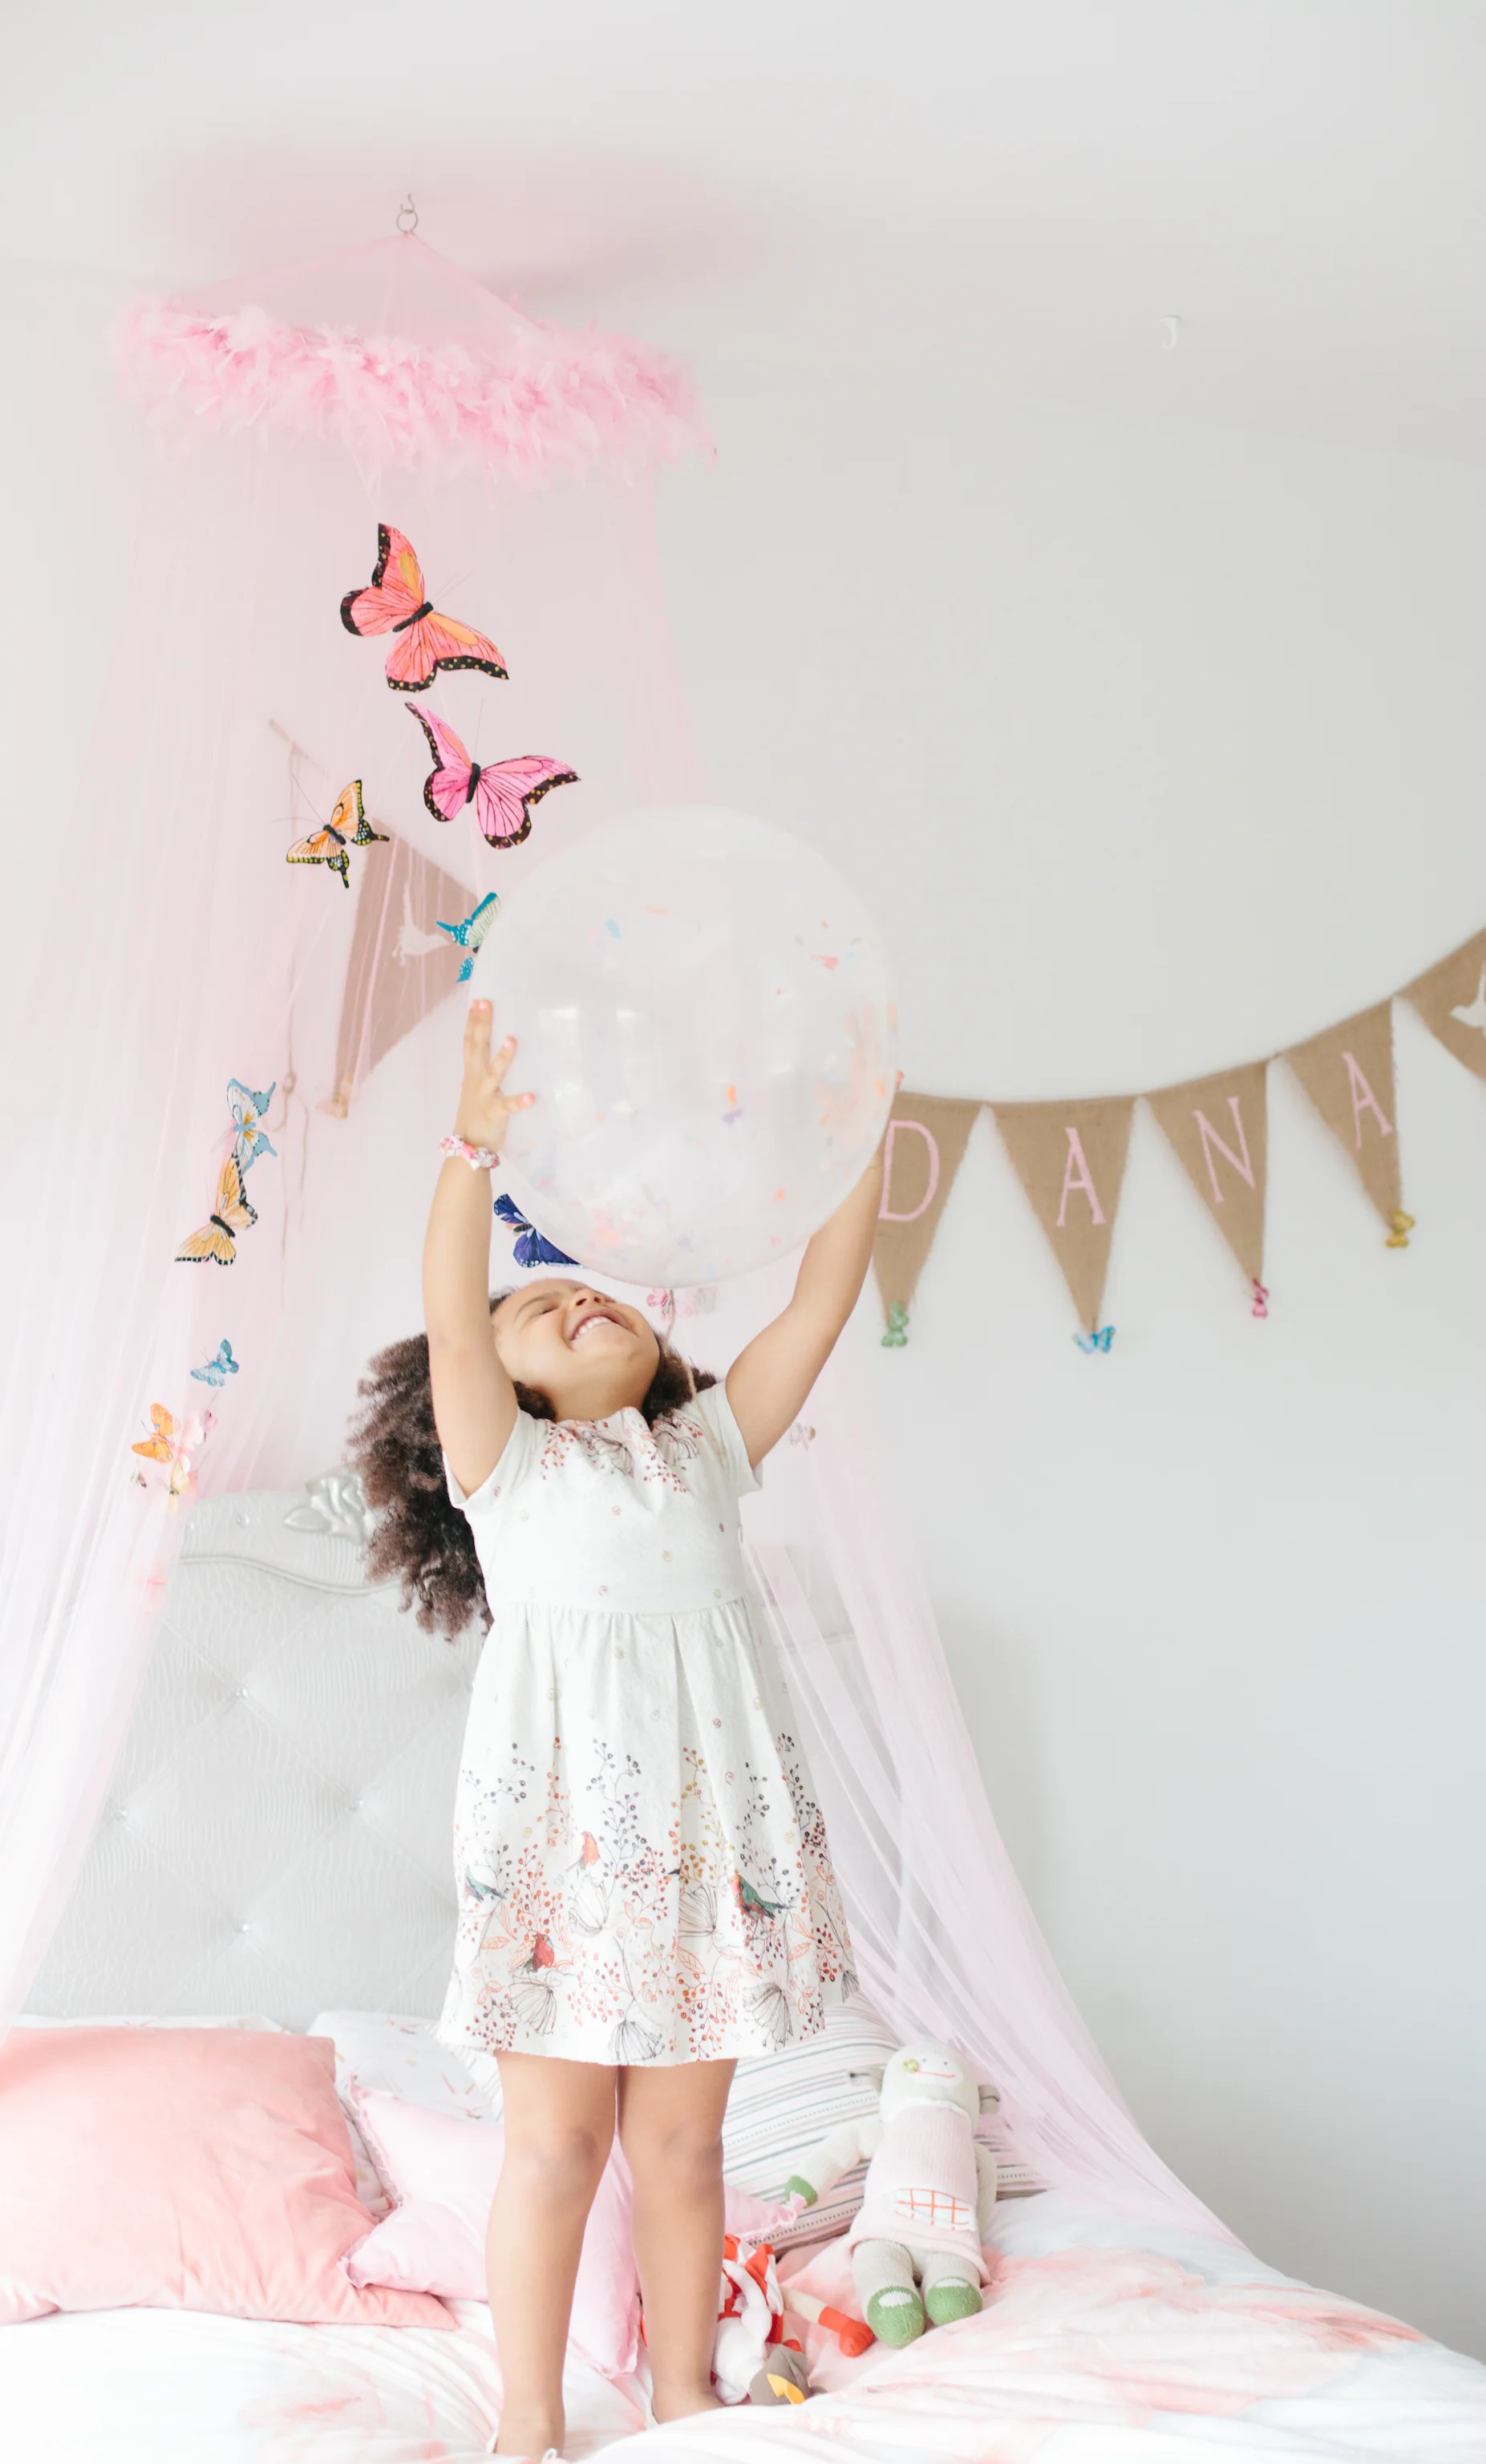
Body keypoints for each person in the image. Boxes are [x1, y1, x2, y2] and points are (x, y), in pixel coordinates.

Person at [350, 997, 885, 2463]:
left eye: (600, 1297)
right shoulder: (508, 1469)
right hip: (566, 1857)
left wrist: (857, 1144)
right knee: (558, 2146)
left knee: (684, 2145)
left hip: (708, 1853)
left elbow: (818, 1308)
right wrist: (473, 1144)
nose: (583, 1303)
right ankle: (528, 2418)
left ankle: (683, 2393)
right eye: (545, 1310)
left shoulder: (707, 1446)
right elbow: (452, 1308)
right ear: (505, 1381)